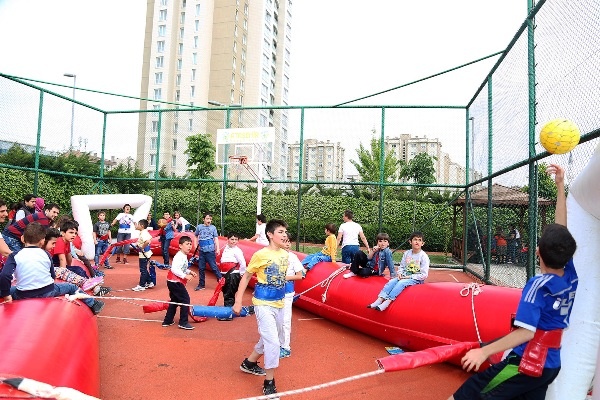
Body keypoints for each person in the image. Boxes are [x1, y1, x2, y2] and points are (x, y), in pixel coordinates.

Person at [448, 164, 577, 400]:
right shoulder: (570, 275)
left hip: (526, 363)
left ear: (537, 252)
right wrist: (560, 186)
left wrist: (483, 352)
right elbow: (562, 231)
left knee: (463, 397)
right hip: (550, 365)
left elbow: (525, 333)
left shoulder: (538, 285)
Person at [234, 219, 289, 397]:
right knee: (273, 342)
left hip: (280, 304)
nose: (285, 235)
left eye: (285, 232)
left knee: (271, 339)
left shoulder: (285, 254)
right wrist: (238, 300)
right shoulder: (260, 255)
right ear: (270, 235)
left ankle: (249, 363)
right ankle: (269, 383)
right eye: (280, 232)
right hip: (263, 304)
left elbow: (282, 277)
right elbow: (246, 276)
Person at [0, 222, 105, 315]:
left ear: (22, 238)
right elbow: (52, 275)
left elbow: (5, 275)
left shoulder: (14, 255)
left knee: (6, 289)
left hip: (22, 294)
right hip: (48, 291)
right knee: (72, 287)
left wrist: (6, 295)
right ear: (42, 241)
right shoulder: (46, 254)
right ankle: (94, 304)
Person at [367, 232, 429, 311]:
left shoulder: (423, 256)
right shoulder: (407, 253)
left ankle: (388, 301)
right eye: (415, 240)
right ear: (410, 242)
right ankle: (380, 299)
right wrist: (399, 273)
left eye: (419, 240)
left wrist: (409, 277)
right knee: (392, 281)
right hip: (404, 276)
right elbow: (402, 266)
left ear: (422, 243)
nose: (417, 242)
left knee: (401, 283)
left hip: (416, 279)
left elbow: (424, 274)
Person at [45, 228, 110, 296]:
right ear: (63, 233)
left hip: (54, 267)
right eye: (71, 233)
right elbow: (62, 259)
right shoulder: (59, 243)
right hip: (55, 267)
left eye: (75, 233)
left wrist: (69, 267)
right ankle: (93, 286)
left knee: (78, 268)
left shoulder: (67, 243)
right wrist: (64, 271)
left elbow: (68, 256)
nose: (74, 235)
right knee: (75, 272)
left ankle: (92, 282)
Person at [163, 235, 197, 330]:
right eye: (187, 244)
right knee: (185, 300)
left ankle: (168, 320)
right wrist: (184, 276)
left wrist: (189, 272)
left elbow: (182, 268)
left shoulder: (184, 256)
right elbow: (174, 269)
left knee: (175, 301)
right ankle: (183, 322)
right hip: (175, 282)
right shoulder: (179, 256)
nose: (189, 246)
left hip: (173, 282)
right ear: (180, 245)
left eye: (190, 244)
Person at [279, 238, 305, 359]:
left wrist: (286, 277)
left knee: (285, 320)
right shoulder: (274, 255)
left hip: (287, 293)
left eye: (289, 242)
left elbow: (300, 276)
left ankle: (285, 347)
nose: (288, 244)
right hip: (274, 293)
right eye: (285, 241)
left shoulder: (293, 257)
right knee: (275, 319)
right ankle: (278, 343)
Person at [194, 212, 222, 291]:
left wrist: (218, 248)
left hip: (210, 251)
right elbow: (195, 236)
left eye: (210, 219)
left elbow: (216, 238)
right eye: (207, 218)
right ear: (203, 219)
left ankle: (221, 281)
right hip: (202, 251)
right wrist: (195, 245)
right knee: (201, 268)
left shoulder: (213, 228)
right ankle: (201, 284)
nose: (209, 220)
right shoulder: (199, 227)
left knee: (213, 267)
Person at [219, 232, 247, 312]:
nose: (234, 241)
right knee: (226, 292)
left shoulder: (237, 250)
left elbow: (243, 263)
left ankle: (228, 313)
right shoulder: (226, 248)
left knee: (229, 293)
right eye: (232, 239)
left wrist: (241, 274)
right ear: (227, 240)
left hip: (233, 274)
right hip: (225, 274)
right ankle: (229, 309)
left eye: (236, 240)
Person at [132, 219, 155, 292]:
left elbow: (147, 241)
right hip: (146, 253)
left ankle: (142, 285)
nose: (137, 226)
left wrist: (142, 247)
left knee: (143, 270)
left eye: (138, 224)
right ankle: (149, 282)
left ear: (142, 226)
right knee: (144, 269)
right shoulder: (144, 232)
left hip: (144, 254)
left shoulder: (143, 233)